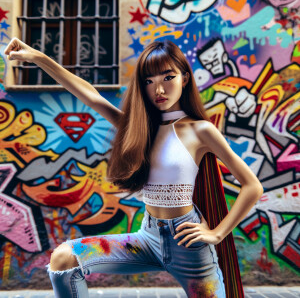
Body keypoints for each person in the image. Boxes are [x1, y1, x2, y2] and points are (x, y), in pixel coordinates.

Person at [4, 38, 264, 298]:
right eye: (149, 81)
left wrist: (218, 233)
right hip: (147, 238)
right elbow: (90, 95)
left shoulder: (200, 130)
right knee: (63, 258)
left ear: (185, 79)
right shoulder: (139, 128)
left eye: (168, 77)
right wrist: (39, 58)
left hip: (189, 245)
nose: (158, 89)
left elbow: (252, 186)